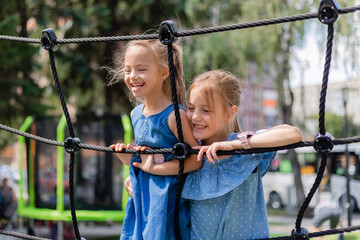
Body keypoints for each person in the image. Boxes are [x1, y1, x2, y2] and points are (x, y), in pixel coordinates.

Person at [131, 69, 303, 239]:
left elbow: (293, 134)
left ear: (230, 113)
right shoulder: (189, 156)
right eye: (191, 108)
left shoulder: (244, 148)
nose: (195, 117)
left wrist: (235, 145)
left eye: (206, 110)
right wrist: (134, 181)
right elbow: (162, 180)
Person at [108, 39, 201, 240]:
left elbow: (195, 160)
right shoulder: (136, 114)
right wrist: (125, 156)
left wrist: (155, 169)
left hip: (167, 205)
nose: (133, 76)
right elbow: (142, 163)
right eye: (127, 70)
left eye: (141, 69)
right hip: (143, 201)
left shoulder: (174, 116)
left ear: (164, 73)